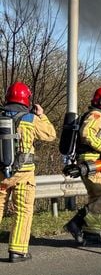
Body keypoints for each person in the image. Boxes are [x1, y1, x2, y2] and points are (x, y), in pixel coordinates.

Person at [0, 82, 56, 263]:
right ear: (26, 99)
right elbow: (50, 135)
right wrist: (42, 115)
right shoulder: (31, 119)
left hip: (1, 172)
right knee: (23, 211)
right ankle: (17, 251)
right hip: (24, 174)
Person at [64, 86, 101, 246]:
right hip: (91, 160)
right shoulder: (97, 114)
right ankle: (76, 223)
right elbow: (86, 134)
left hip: (95, 160)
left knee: (99, 197)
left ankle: (91, 233)